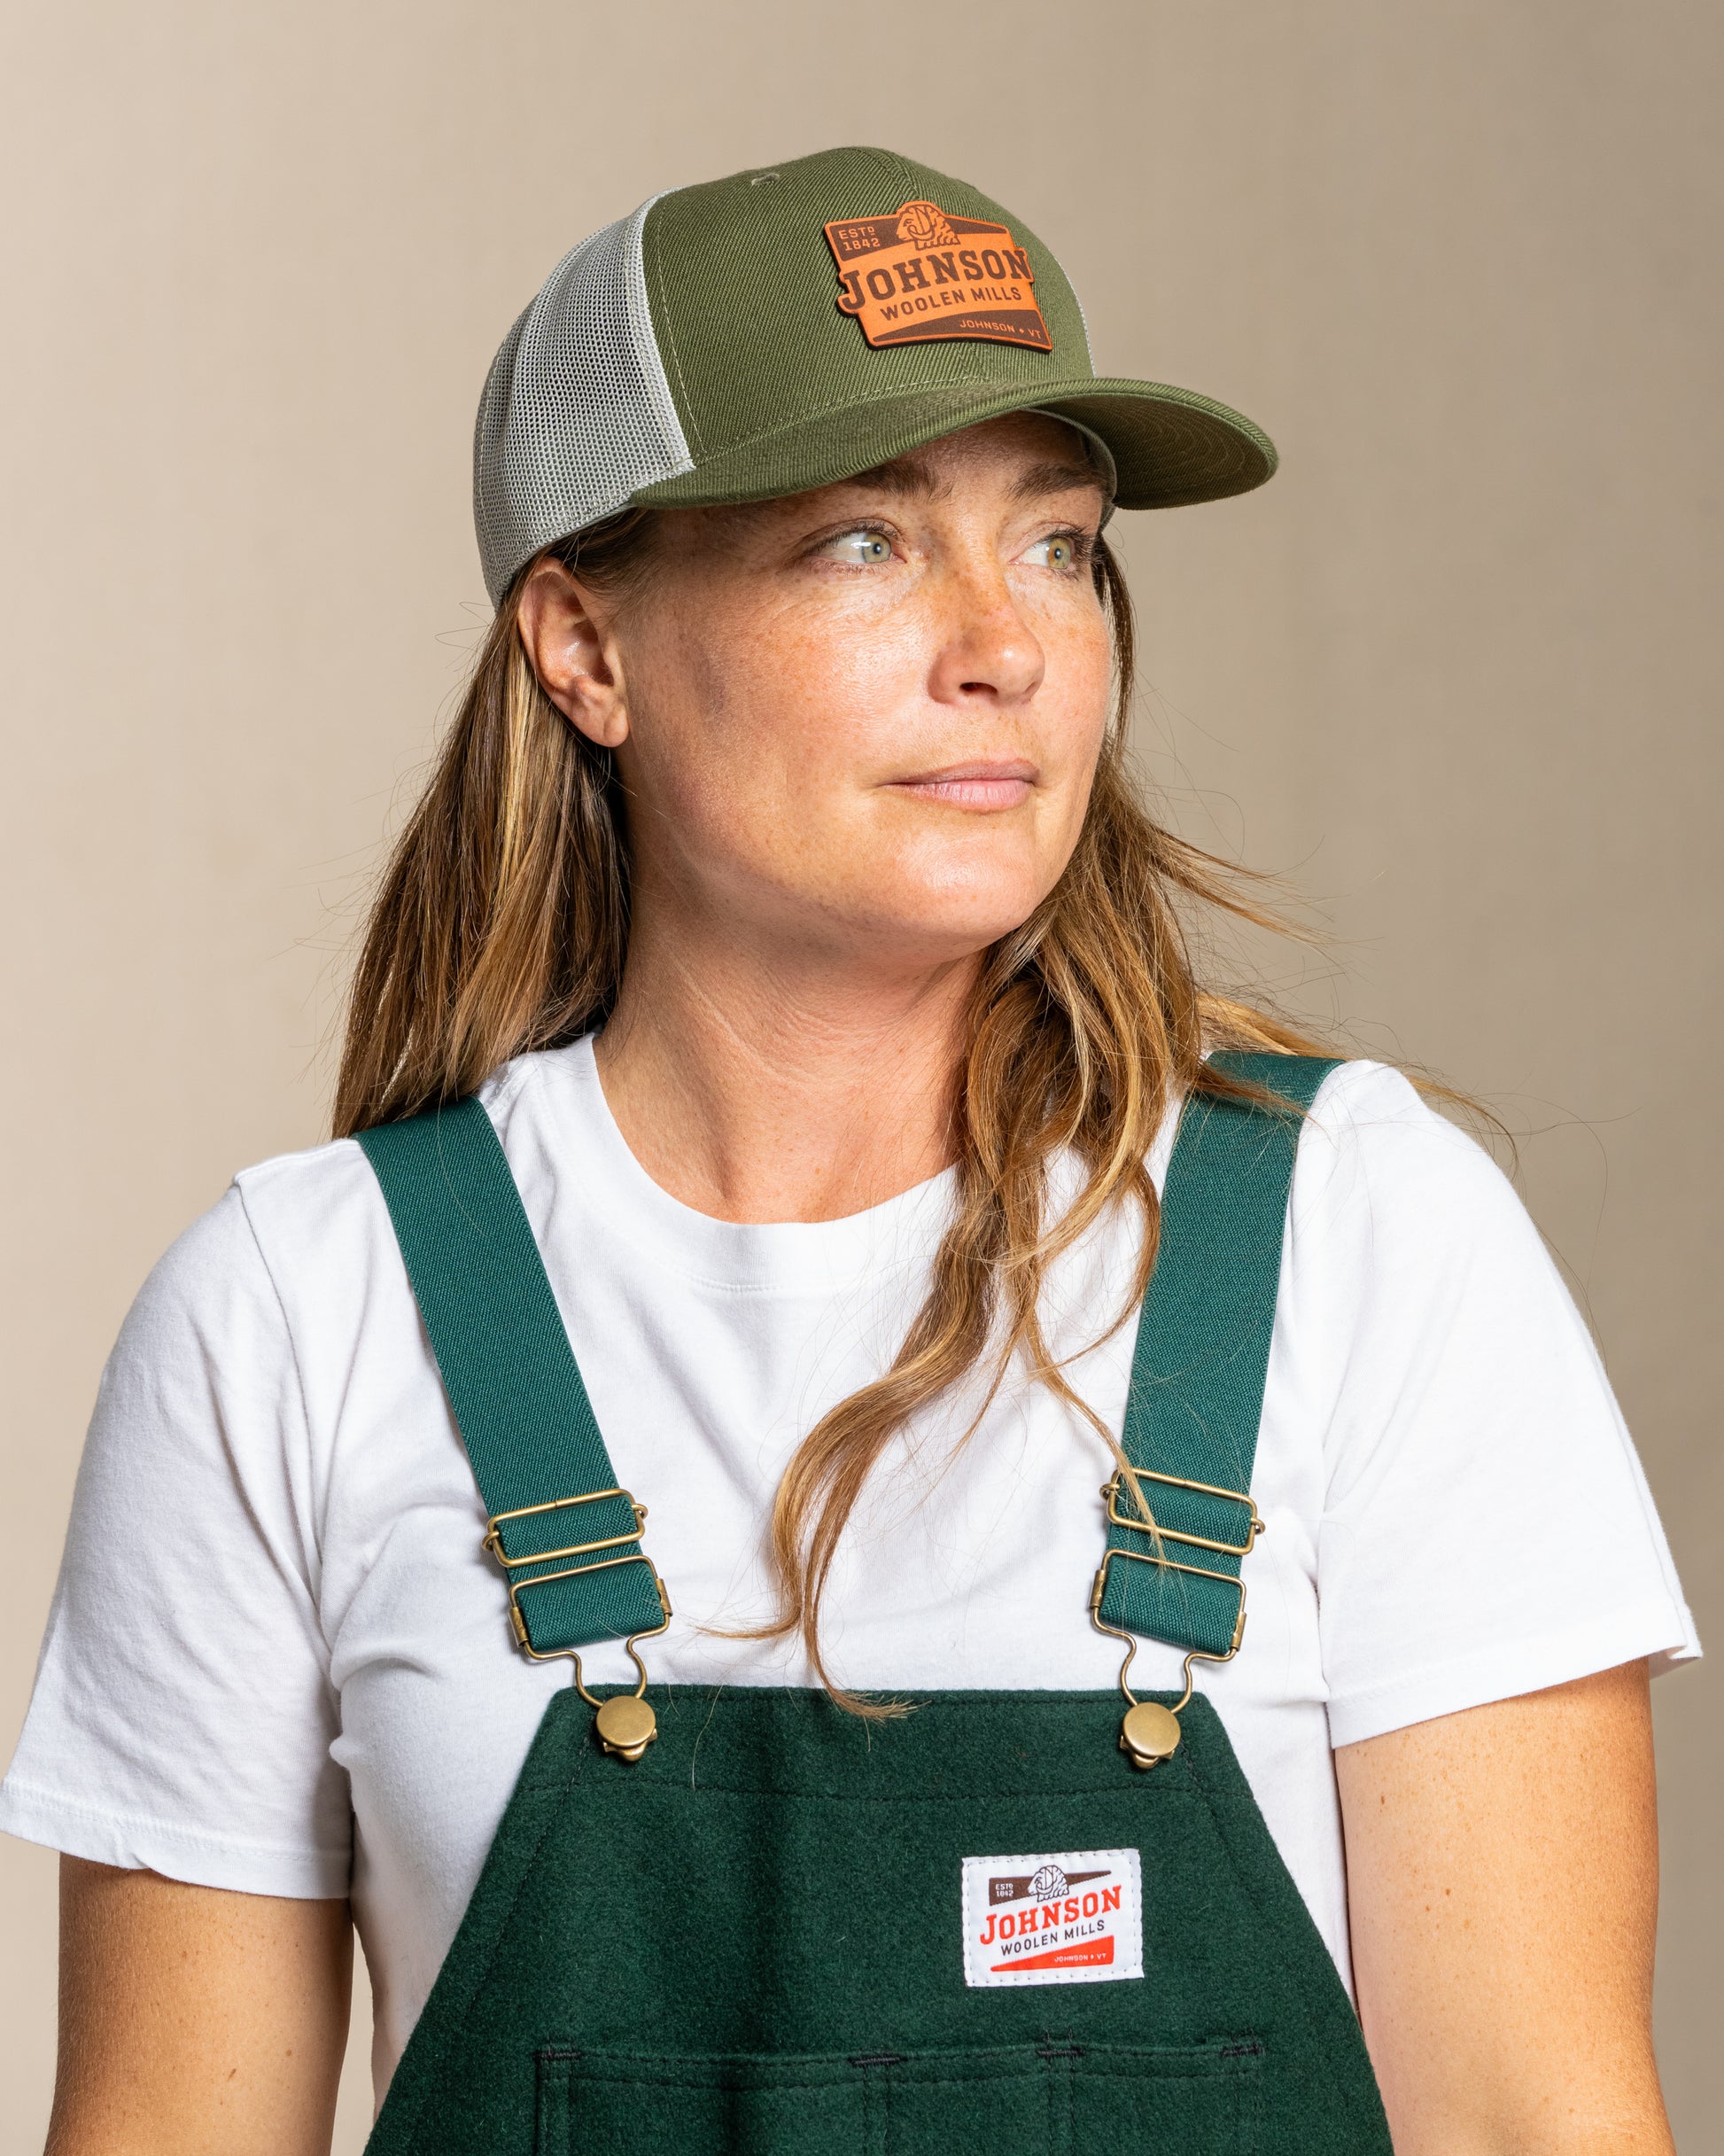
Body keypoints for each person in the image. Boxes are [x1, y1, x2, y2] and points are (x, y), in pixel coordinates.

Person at [3, 145, 1695, 2156]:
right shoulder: (295, 1313)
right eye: (863, 546)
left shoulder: (1360, 1236)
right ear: (584, 648)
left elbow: (1533, 2123)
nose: (1006, 644)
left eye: (1058, 545)